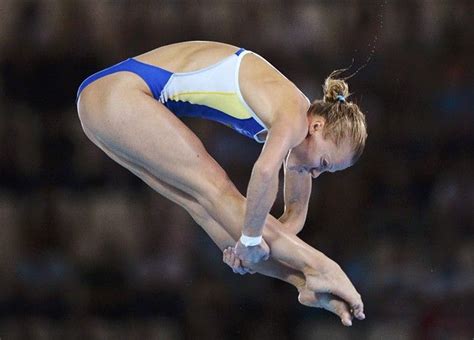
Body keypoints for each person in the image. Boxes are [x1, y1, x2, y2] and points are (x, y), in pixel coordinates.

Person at [76, 41, 367, 326]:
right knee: (216, 190)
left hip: (99, 106)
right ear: (317, 126)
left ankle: (304, 282)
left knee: (200, 204)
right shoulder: (293, 117)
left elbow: (287, 226)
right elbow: (264, 173)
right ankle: (326, 268)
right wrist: (251, 238)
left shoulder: (301, 145)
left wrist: (246, 246)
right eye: (324, 164)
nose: (317, 173)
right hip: (120, 95)